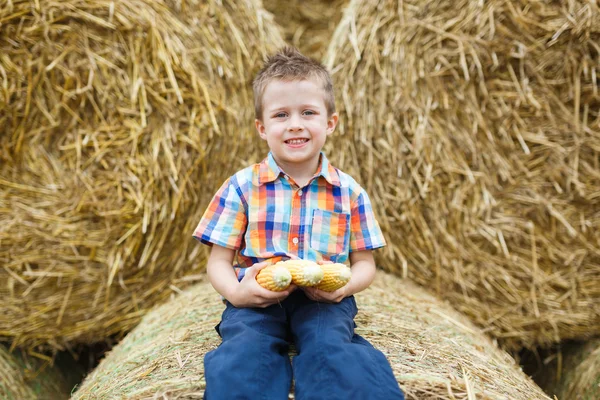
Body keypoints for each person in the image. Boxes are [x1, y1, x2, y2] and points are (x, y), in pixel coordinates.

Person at [193, 47, 404, 400]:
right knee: (245, 348)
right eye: (280, 115)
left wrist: (344, 288)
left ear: (330, 122)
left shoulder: (348, 192)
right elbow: (218, 261)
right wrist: (236, 293)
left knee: (330, 347)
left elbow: (365, 265)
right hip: (257, 298)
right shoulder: (242, 187)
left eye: (308, 112)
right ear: (262, 128)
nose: (295, 124)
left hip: (323, 300)